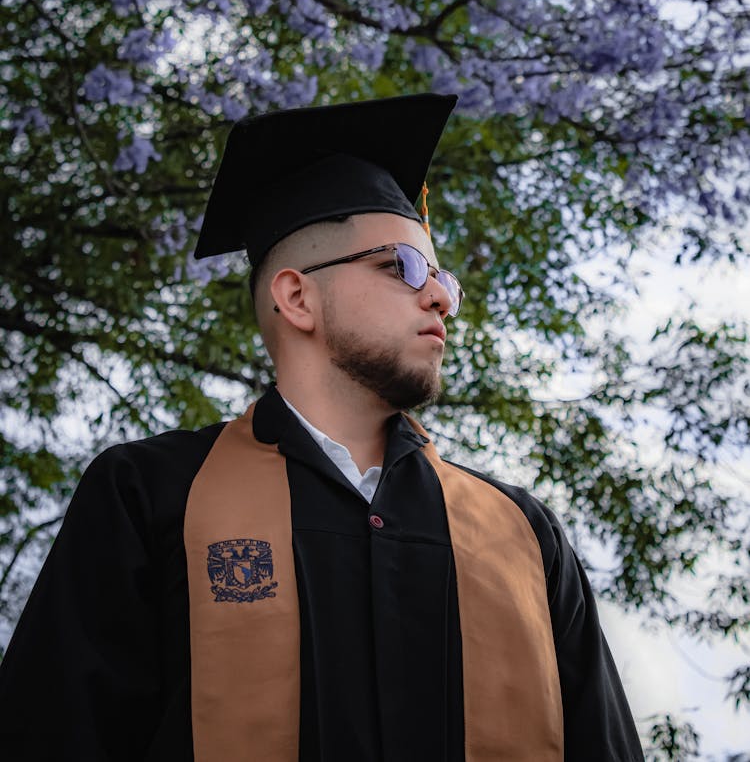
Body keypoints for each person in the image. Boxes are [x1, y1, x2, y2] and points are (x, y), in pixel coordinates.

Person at [0, 93, 645, 761]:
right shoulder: (153, 496)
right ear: (297, 296)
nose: (439, 296)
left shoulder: (522, 535)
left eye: (440, 275)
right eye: (403, 265)